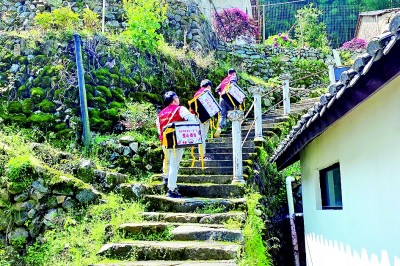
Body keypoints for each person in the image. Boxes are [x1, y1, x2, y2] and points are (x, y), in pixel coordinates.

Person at [156, 91, 196, 198]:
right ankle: (171, 189)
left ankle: (167, 178)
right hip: (176, 141)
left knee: (168, 162)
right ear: (174, 99)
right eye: (177, 97)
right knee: (174, 164)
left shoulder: (160, 114)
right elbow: (192, 120)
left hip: (164, 142)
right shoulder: (180, 109)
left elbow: (159, 131)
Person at [192, 79, 213, 160]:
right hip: (204, 118)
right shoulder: (206, 92)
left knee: (201, 136)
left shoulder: (196, 93)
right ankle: (202, 156)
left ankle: (202, 154)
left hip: (197, 117)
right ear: (208, 86)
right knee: (202, 136)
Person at [214, 69, 238, 138]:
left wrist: (220, 93)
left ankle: (219, 128)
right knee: (235, 112)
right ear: (234, 73)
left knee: (222, 116)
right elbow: (233, 84)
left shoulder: (224, 80)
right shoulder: (233, 77)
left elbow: (216, 90)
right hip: (229, 98)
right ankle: (235, 129)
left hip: (221, 98)